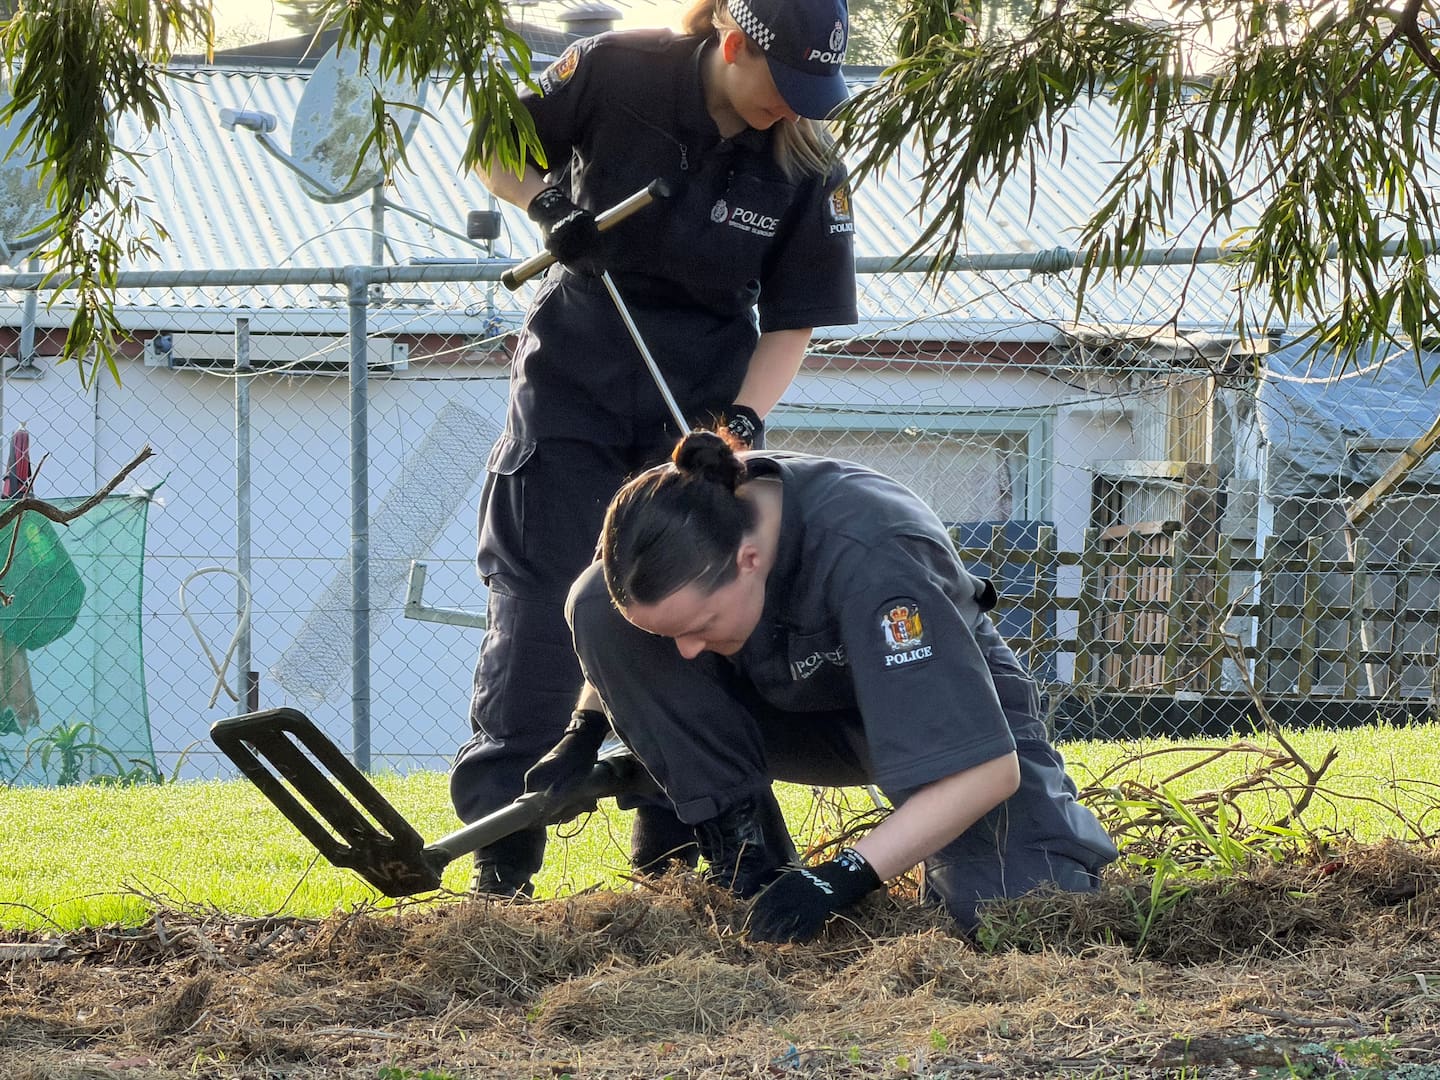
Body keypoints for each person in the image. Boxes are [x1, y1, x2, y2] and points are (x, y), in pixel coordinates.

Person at [450, 0, 859, 897]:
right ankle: (501, 865)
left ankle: (674, 868)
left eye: (810, 93)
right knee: (539, 608)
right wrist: (546, 201)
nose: (792, 107)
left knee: (687, 612)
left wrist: (742, 424)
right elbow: (495, 147)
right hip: (574, 381)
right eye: (782, 84)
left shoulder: (805, 163)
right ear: (735, 41)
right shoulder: (613, 68)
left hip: (697, 407)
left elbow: (793, 321)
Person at [551, 431, 1117, 942]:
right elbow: (638, 632)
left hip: (930, 710)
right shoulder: (671, 523)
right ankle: (747, 859)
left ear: (749, 560)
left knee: (1014, 915)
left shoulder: (873, 553)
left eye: (699, 628)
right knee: (596, 604)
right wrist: (586, 727)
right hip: (783, 696)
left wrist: (842, 877)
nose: (685, 654)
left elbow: (987, 771)